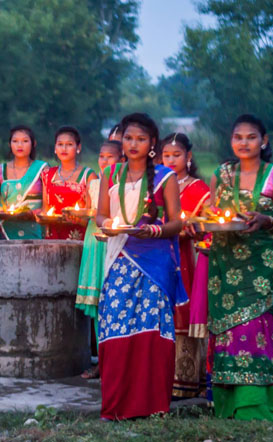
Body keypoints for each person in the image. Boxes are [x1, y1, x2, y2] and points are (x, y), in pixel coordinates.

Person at [205, 114, 273, 420]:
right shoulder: (221, 174)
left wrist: (266, 220)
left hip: (260, 268)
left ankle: (256, 404)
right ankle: (227, 403)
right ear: (231, 141)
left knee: (253, 328)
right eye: (238, 137)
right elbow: (211, 212)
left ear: (264, 141)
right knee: (226, 331)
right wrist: (204, 223)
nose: (244, 143)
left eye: (251, 137)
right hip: (224, 264)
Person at [95, 112, 187, 420]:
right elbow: (99, 216)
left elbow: (176, 223)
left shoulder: (165, 177)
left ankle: (152, 405)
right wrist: (109, 224)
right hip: (118, 257)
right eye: (128, 137)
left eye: (141, 139)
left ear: (152, 144)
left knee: (151, 329)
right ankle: (117, 405)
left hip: (153, 264)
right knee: (114, 324)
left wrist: (154, 230)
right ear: (120, 140)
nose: (133, 144)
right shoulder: (110, 175)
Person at [160, 132, 211, 397]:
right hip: (159, 254)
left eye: (176, 155)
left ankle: (187, 382)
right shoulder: (155, 185)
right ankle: (159, 380)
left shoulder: (199, 189)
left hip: (186, 256)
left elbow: (209, 225)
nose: (170, 160)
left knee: (185, 314)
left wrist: (193, 229)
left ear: (188, 157)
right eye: (165, 155)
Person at [76, 139, 123, 379]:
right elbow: (87, 210)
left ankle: (114, 361)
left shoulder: (125, 183)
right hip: (94, 239)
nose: (104, 161)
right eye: (101, 156)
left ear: (121, 160)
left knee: (112, 300)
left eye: (110, 157)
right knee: (96, 300)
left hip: (113, 241)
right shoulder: (94, 182)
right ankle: (101, 361)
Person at [0, 125, 47, 240]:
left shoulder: (42, 169)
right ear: (9, 144)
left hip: (33, 231)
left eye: (25, 141)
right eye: (15, 141)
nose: (19, 145)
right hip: (5, 232)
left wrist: (32, 213)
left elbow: (47, 207)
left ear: (33, 143)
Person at [41, 126, 97, 240]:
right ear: (55, 148)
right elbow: (45, 209)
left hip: (78, 237)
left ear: (78, 147)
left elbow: (93, 215)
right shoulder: (47, 175)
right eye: (60, 144)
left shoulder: (88, 176)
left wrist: (79, 220)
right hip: (52, 237)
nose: (64, 148)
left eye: (69, 144)